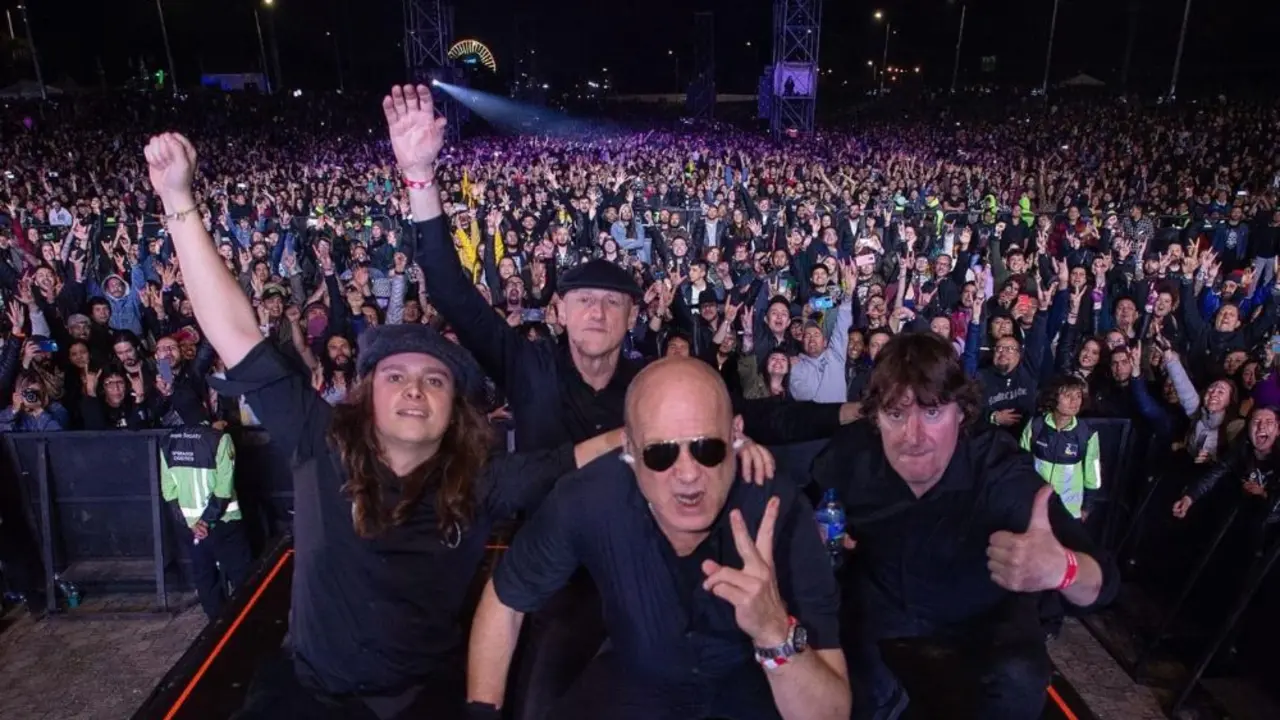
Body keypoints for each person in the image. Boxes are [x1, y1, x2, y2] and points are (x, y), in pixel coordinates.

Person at [388, 84, 859, 718]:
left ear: (633, 316)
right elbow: (449, 288)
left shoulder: (653, 384)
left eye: (611, 302)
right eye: (582, 299)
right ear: (557, 311)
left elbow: (742, 413)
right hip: (556, 563)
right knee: (542, 694)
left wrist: (745, 441)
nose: (596, 311)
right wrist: (420, 176)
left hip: (647, 571)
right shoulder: (526, 363)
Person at [144, 131, 625, 720]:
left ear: (457, 409)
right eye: (396, 376)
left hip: (424, 701)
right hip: (308, 698)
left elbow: (587, 454)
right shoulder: (320, 442)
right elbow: (235, 335)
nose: (415, 388)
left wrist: (699, 431)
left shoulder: (481, 479)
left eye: (436, 379)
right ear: (368, 396)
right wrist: (178, 201)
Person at [467, 358, 850, 720]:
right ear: (629, 450)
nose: (687, 474)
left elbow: (831, 712)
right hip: (636, 681)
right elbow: (506, 599)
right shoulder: (587, 498)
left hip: (754, 690)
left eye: (707, 448)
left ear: (736, 436)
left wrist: (774, 632)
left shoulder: (778, 510)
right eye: (661, 454)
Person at [810, 332, 1119, 720]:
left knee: (1019, 678)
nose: (914, 437)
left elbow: (1103, 581)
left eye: (933, 412)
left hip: (981, 623)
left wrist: (1064, 569)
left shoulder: (999, 469)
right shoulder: (853, 452)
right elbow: (809, 500)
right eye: (896, 414)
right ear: (875, 418)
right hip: (884, 612)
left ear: (962, 411)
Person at [160, 423, 251, 620]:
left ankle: (217, 629)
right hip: (224, 523)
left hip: (191, 528)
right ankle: (248, 625)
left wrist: (192, 524)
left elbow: (169, 491)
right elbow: (224, 489)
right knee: (243, 578)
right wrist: (206, 521)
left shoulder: (167, 441)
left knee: (205, 579)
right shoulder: (220, 439)